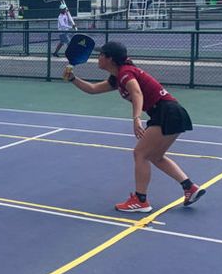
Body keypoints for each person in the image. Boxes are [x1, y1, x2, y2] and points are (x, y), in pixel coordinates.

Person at [63, 40, 204, 213]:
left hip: (167, 112)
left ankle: (140, 200)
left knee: (140, 154)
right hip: (171, 113)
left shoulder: (125, 73)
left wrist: (136, 118)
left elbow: (136, 92)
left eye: (101, 55)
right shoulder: (118, 77)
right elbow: (93, 89)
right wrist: (73, 79)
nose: (98, 58)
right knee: (155, 156)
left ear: (110, 59)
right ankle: (190, 187)